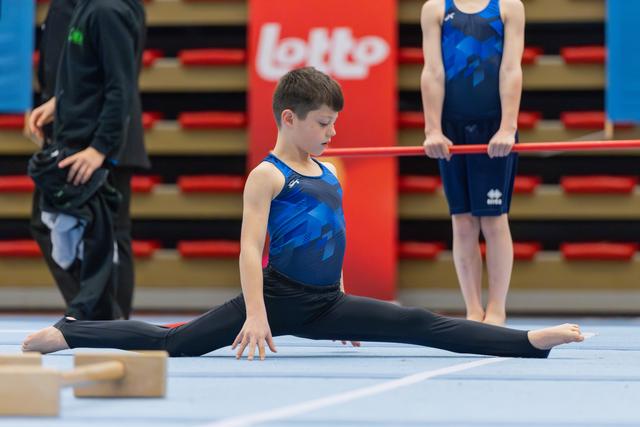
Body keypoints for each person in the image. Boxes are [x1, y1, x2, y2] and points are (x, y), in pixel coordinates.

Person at [23, 67, 583, 360]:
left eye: (334, 124)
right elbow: (249, 250)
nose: (332, 132)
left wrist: (340, 300)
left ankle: (526, 342)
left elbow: (332, 238)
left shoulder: (331, 170)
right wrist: (257, 315)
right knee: (173, 342)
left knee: (418, 324)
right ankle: (71, 334)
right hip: (275, 300)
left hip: (324, 305)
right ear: (289, 119)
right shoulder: (267, 175)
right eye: (322, 124)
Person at [27, 0, 150, 320]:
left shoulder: (107, 9)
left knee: (108, 234)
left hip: (99, 141)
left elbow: (119, 84)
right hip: (82, 134)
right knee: (84, 231)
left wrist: (101, 148)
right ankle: (98, 315)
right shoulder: (86, 7)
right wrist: (60, 105)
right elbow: (82, 71)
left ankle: (108, 319)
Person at [420, 0, 525, 325]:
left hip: (494, 127)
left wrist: (508, 127)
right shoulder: (435, 9)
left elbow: (511, 69)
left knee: (494, 220)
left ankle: (496, 308)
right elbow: (433, 71)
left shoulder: (508, 7)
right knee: (463, 223)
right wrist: (433, 129)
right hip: (450, 129)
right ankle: (472, 309)